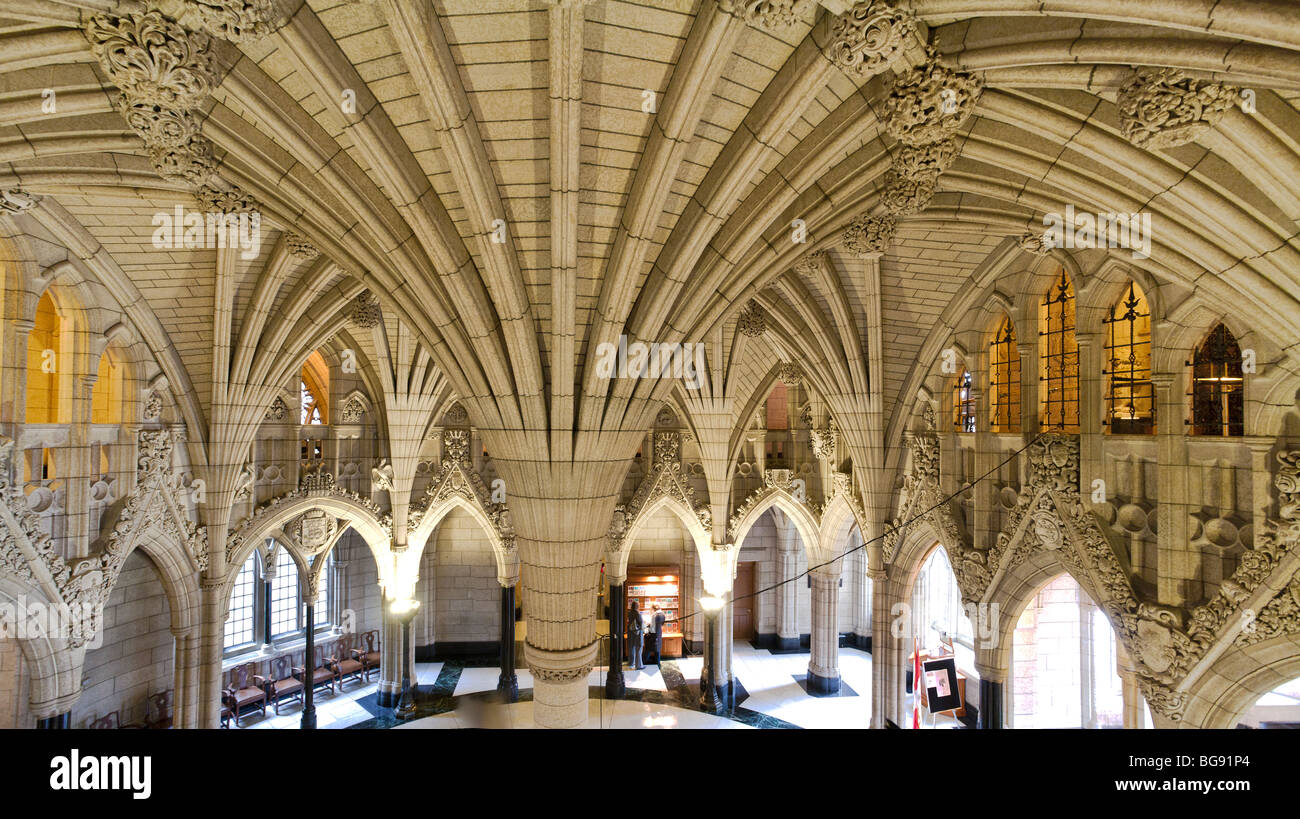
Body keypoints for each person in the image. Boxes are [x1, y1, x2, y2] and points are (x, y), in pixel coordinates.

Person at [627, 600, 644, 670]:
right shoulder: (637, 614)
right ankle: (639, 665)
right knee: (639, 647)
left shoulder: (629, 613)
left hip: (630, 632)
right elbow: (641, 623)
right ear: (637, 606)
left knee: (631, 647)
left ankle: (631, 662)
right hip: (637, 633)